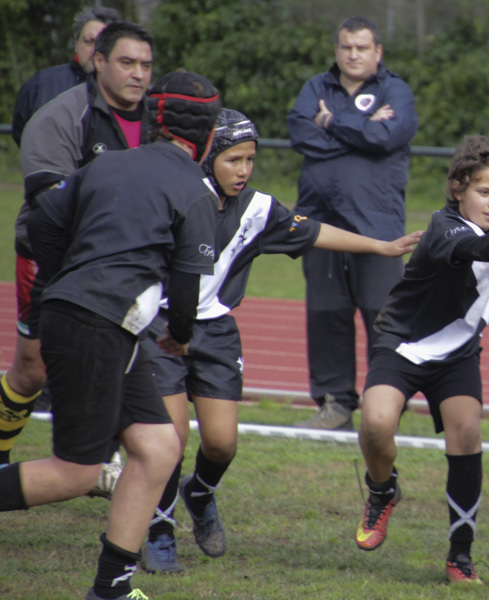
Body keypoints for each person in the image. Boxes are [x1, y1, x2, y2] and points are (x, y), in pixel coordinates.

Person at [137, 109, 423, 574]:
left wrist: (381, 246)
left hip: (216, 333)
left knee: (222, 445)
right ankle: (160, 531)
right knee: (169, 440)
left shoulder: (258, 209)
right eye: (233, 159)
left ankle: (199, 493)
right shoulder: (179, 195)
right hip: (163, 329)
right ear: (209, 158)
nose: (243, 169)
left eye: (250, 159)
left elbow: (311, 231)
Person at [0, 71, 220, 600]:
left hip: (92, 322)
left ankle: (111, 589)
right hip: (93, 327)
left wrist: (65, 276)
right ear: (209, 136)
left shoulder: (106, 163)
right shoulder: (196, 190)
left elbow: (38, 223)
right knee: (78, 473)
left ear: (152, 118)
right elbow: (186, 292)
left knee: (159, 445)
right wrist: (182, 337)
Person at [356, 135, 489, 584]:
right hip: (403, 344)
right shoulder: (446, 226)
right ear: (459, 189)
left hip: (457, 355)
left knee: (467, 433)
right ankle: (382, 490)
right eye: (484, 192)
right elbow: (477, 250)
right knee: (377, 423)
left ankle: (460, 556)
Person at [3, 21, 155, 494]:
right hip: (53, 259)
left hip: (127, 265)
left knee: (125, 357)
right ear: (98, 63)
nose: (138, 75)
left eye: (146, 65)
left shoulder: (159, 120)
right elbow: (50, 213)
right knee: (33, 368)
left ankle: (105, 456)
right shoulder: (59, 118)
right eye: (127, 63)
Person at [287, 15, 418, 431]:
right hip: (320, 221)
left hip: (376, 224)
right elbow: (299, 132)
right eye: (346, 47)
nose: (354, 54)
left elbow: (386, 138)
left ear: (377, 52)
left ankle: (388, 401)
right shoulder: (316, 87)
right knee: (327, 313)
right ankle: (335, 404)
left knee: (384, 315)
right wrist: (360, 131)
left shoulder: (395, 90)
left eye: (362, 47)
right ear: (337, 50)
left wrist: (331, 122)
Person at [11, 6, 121, 146]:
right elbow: (22, 132)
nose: (95, 50)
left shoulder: (125, 89)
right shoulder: (43, 84)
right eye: (89, 41)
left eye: (103, 43)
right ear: (76, 44)